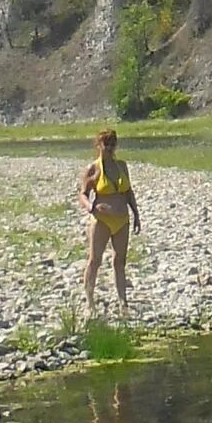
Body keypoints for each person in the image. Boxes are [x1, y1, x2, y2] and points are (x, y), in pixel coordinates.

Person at [78, 128, 141, 311]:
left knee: (119, 261)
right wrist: (91, 208)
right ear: (99, 145)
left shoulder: (122, 166)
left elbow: (128, 192)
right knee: (95, 260)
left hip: (122, 219)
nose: (110, 148)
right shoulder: (94, 168)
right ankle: (90, 301)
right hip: (102, 220)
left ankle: (123, 302)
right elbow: (83, 194)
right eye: (107, 144)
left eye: (113, 144)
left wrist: (136, 214)